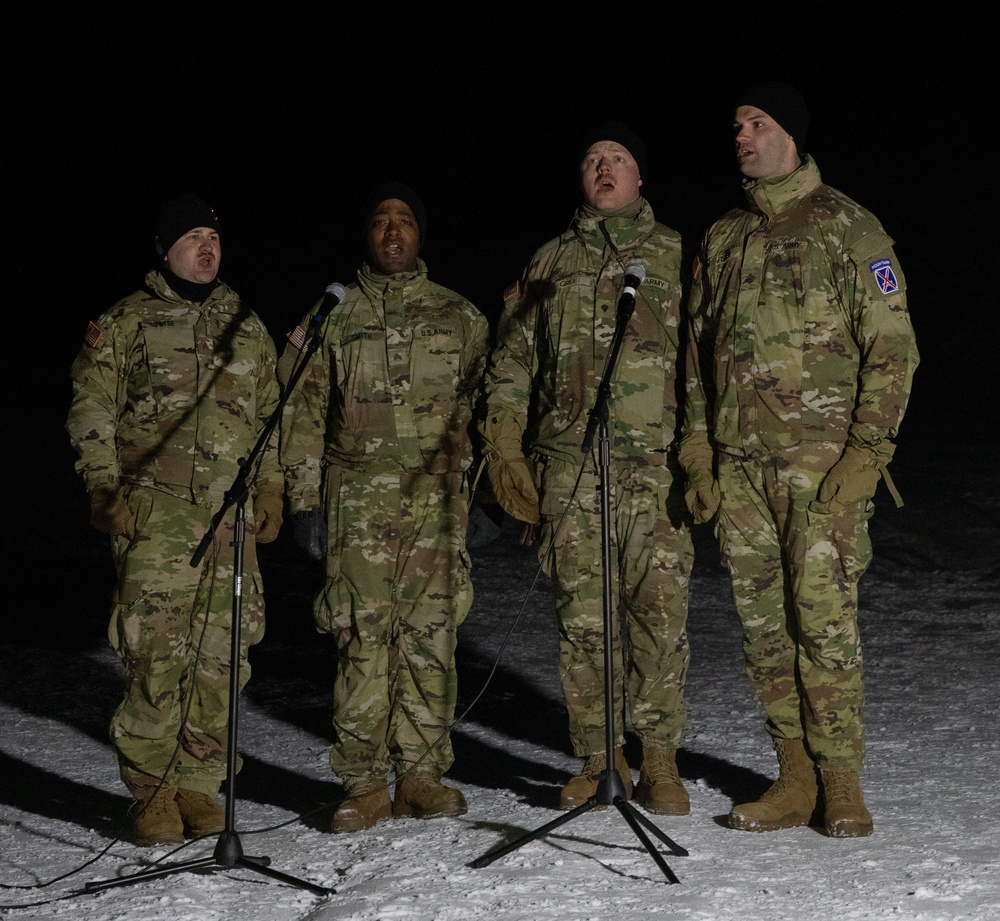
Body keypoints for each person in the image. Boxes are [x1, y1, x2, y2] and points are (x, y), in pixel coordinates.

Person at [681, 82, 919, 837]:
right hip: (740, 468)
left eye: (757, 123)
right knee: (762, 626)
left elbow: (894, 348)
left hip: (821, 468)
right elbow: (694, 352)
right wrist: (696, 449)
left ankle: (841, 779)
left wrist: (869, 449)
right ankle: (795, 778)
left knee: (824, 621)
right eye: (737, 125)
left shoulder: (848, 226)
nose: (742, 136)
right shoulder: (722, 236)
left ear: (792, 134)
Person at [479, 122, 695, 815]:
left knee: (659, 614)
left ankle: (660, 758)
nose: (604, 169)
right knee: (583, 619)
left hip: (654, 466)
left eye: (618, 159)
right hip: (571, 467)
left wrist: (703, 448)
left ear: (640, 178)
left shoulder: (676, 255)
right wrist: (505, 449)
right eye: (593, 161)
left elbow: (707, 362)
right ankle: (601, 758)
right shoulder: (547, 262)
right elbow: (511, 364)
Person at [65, 193, 285, 846]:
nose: (207, 247)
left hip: (231, 524)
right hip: (155, 518)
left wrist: (271, 488)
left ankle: (198, 783)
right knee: (156, 656)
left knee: (222, 658)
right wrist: (104, 488)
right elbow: (90, 407)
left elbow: (274, 416)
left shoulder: (247, 324)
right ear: (165, 250)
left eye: (213, 237)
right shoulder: (127, 320)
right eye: (192, 237)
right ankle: (153, 791)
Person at [278, 182, 490, 833]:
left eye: (404, 220)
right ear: (367, 238)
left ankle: (422, 775)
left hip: (435, 510)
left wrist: (481, 488)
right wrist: (305, 501)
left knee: (430, 638)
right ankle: (365, 782)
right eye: (380, 221)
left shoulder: (461, 317)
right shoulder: (332, 316)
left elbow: (492, 410)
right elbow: (302, 409)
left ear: (420, 235)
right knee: (362, 640)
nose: (393, 230)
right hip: (357, 509)